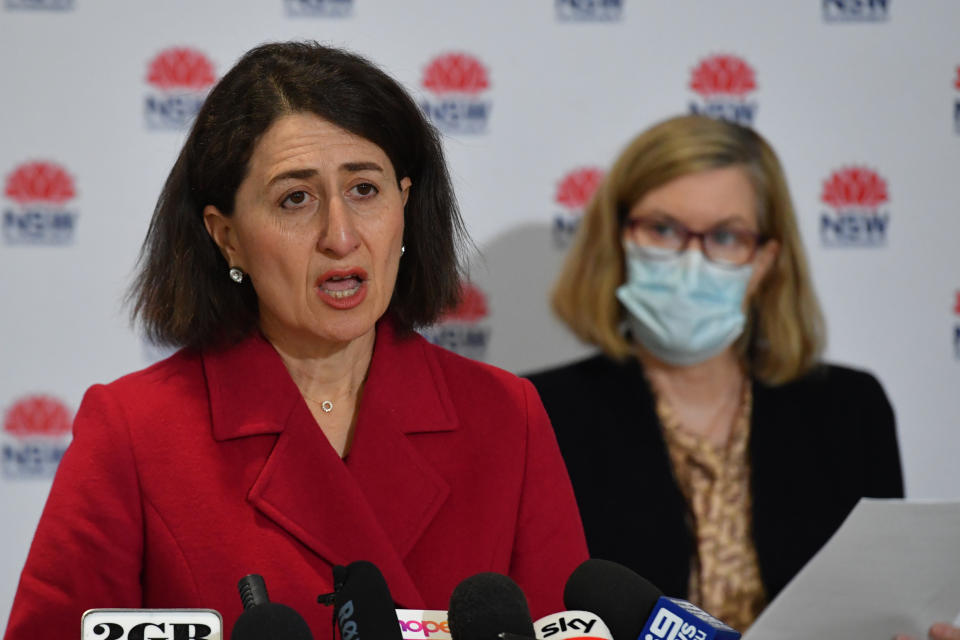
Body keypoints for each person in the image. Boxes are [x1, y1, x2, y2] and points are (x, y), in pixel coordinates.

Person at [5, 41, 588, 639]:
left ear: (405, 206)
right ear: (227, 237)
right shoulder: (135, 431)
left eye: (365, 189)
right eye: (296, 199)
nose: (340, 235)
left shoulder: (505, 417)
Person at [526, 115, 903, 631]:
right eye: (662, 230)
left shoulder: (851, 409)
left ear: (766, 260)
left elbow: (884, 608)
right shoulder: (538, 413)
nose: (690, 263)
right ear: (616, 239)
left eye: (725, 236)